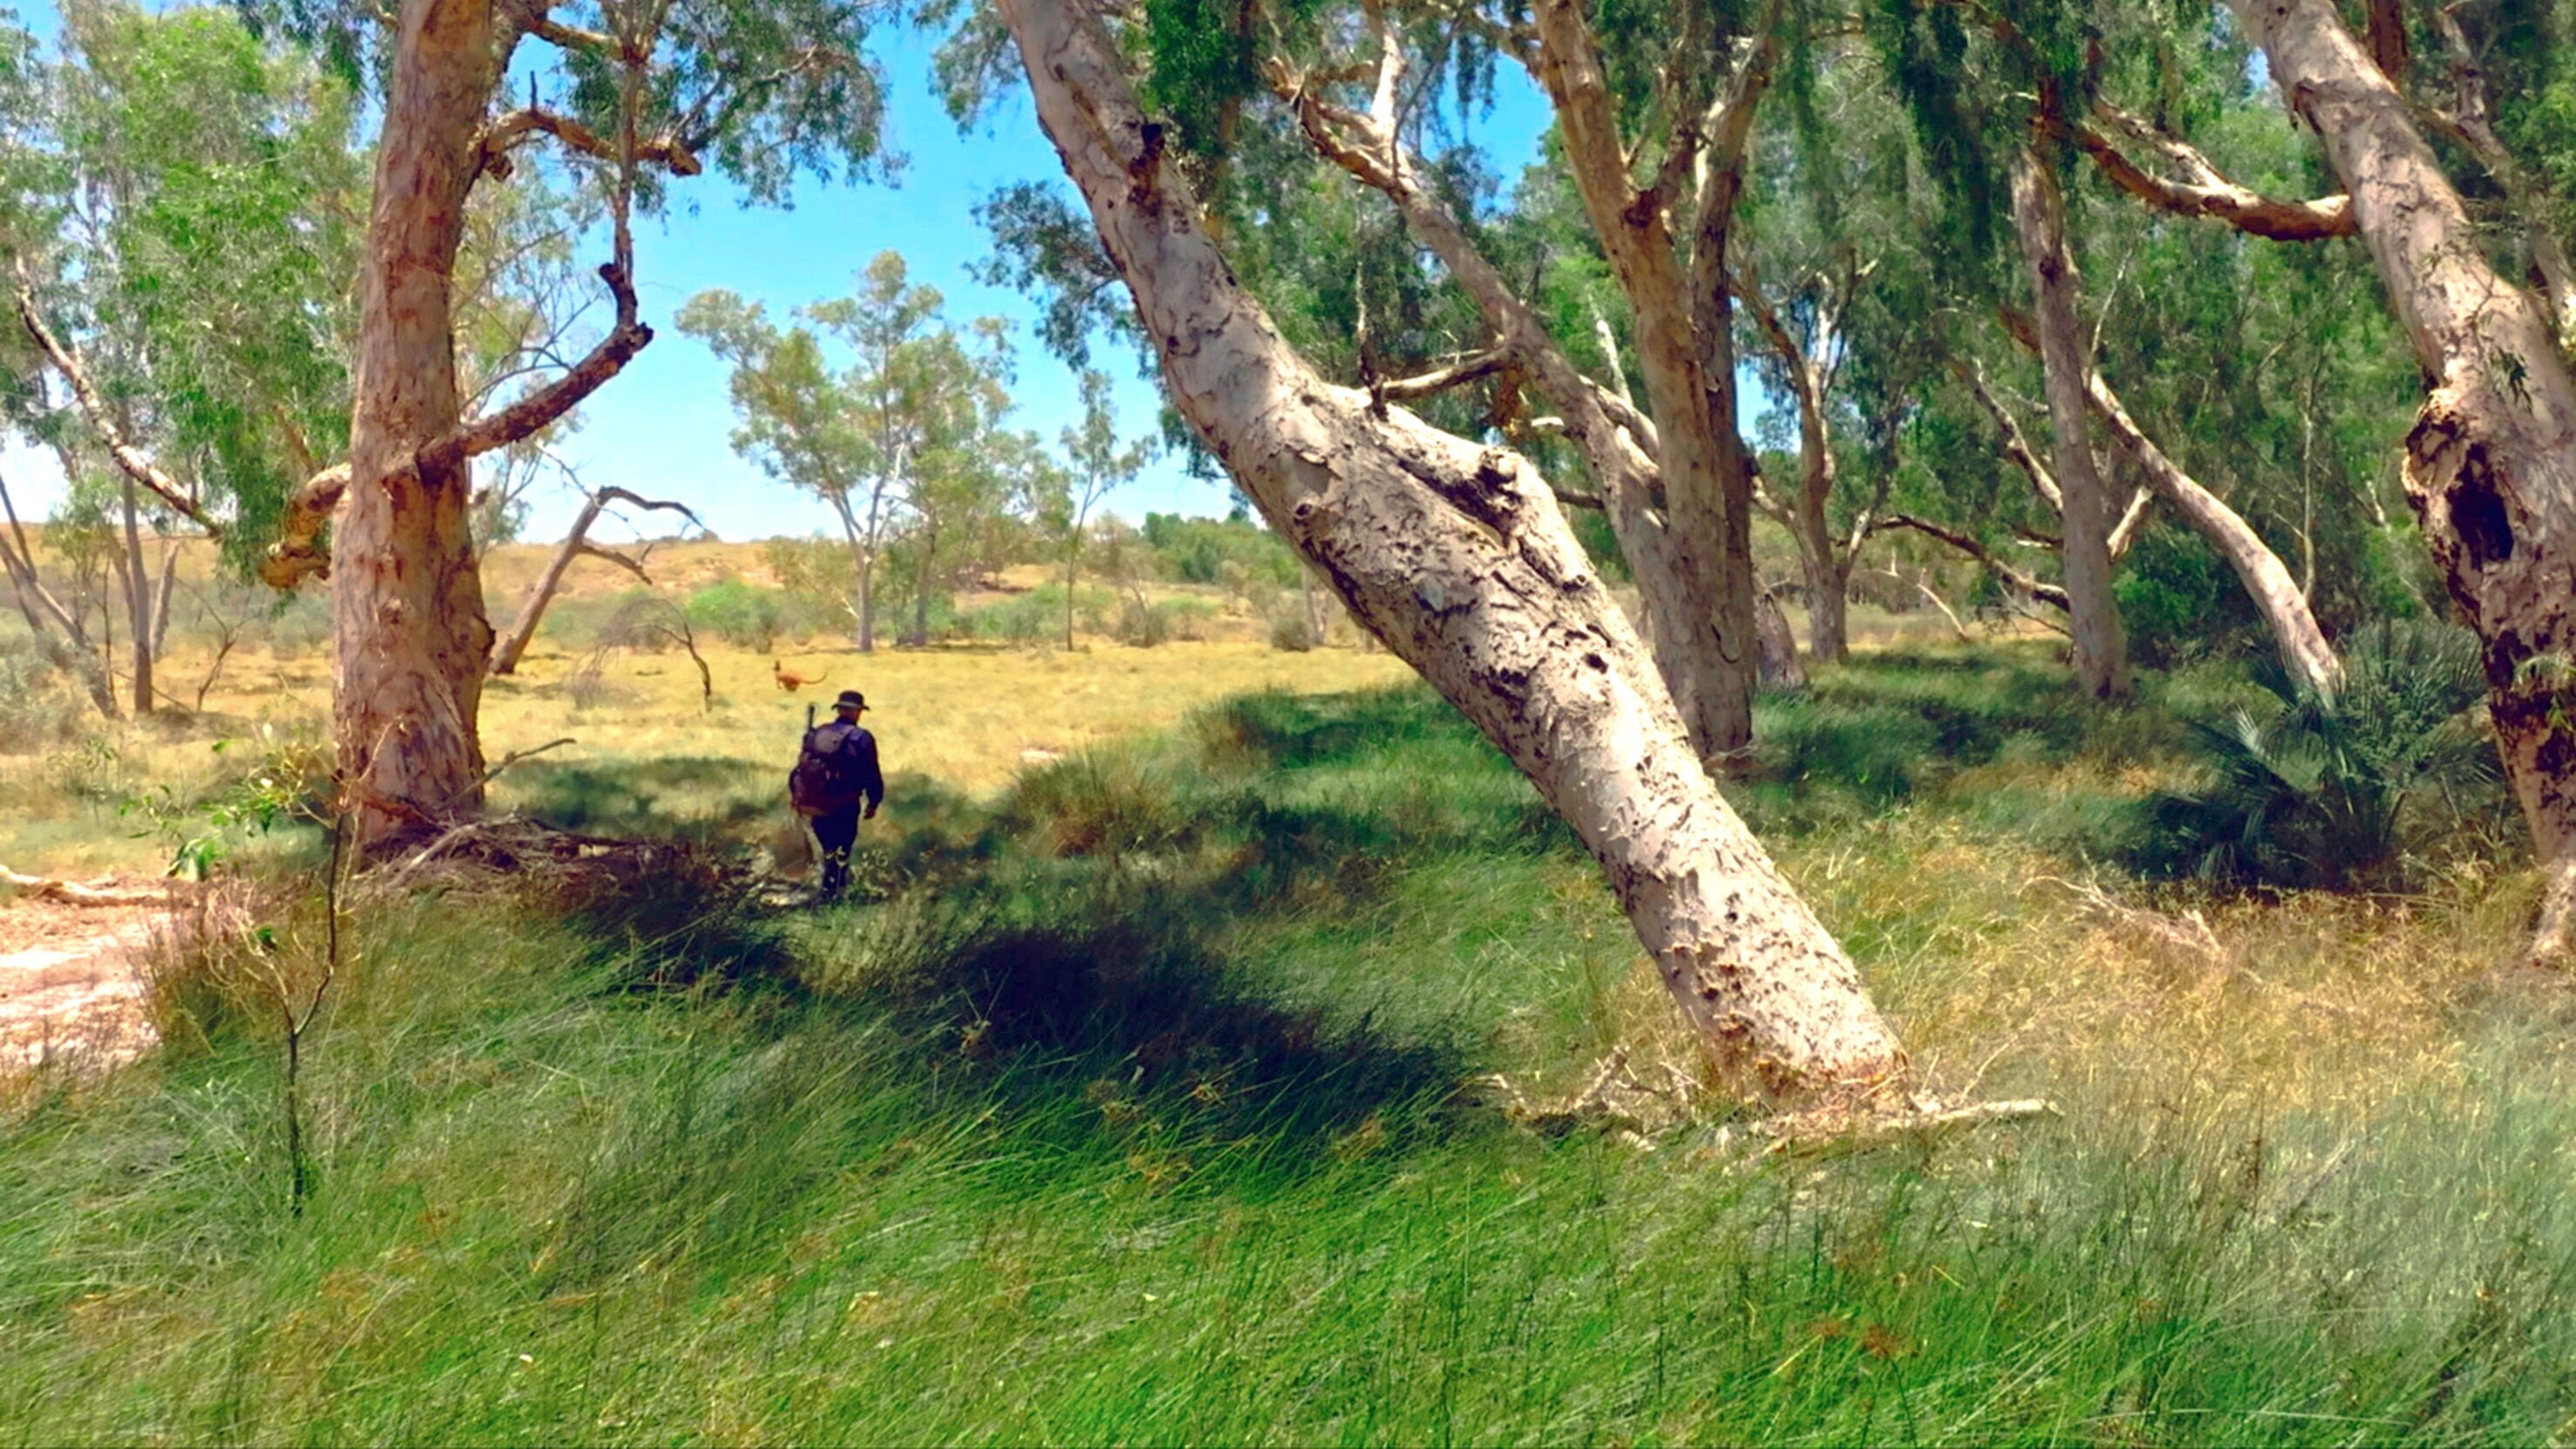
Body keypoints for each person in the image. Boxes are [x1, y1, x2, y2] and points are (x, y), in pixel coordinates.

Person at [789, 689, 884, 900]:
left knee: (828, 847)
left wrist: (798, 795)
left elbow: (800, 768)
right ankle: (835, 891)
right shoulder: (862, 738)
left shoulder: (816, 733)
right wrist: (874, 800)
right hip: (845, 803)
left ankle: (828, 888)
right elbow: (870, 771)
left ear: (839, 709)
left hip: (816, 801)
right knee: (842, 849)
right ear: (858, 712)